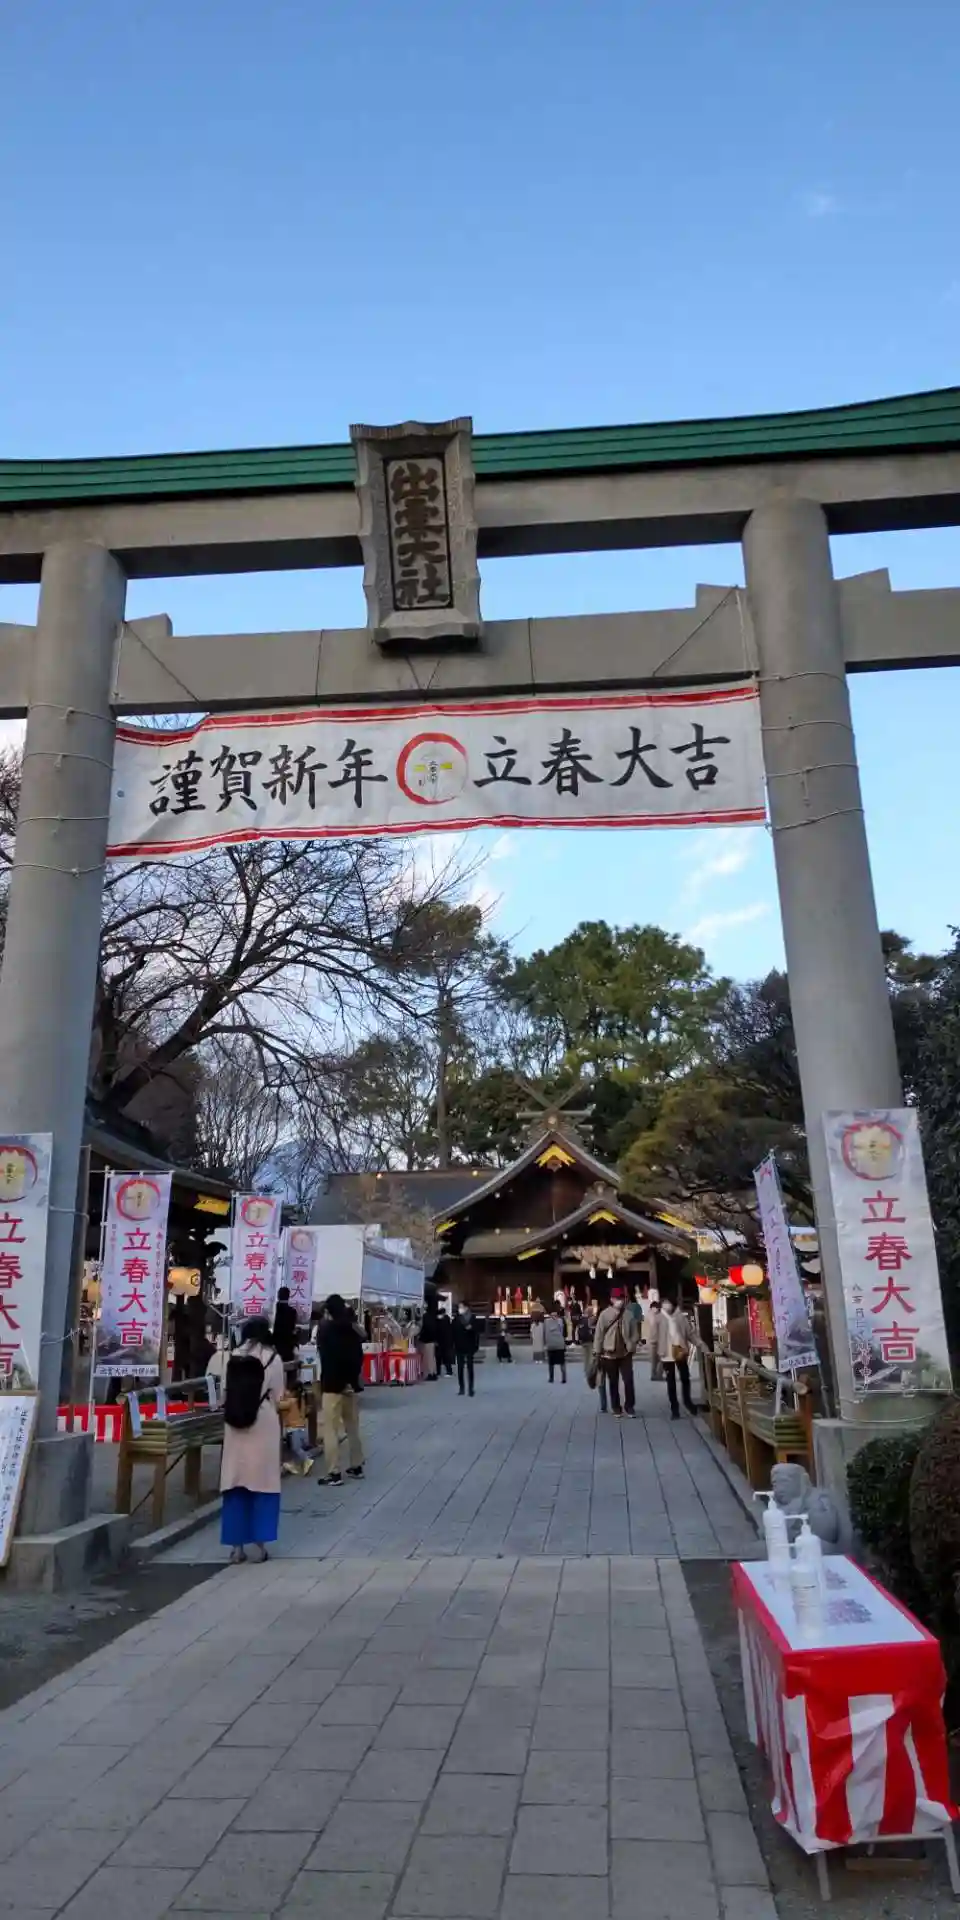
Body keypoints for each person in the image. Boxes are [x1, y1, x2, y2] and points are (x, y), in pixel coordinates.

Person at [220, 1314, 285, 1563]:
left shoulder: (232, 1355)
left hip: (234, 1424)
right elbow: (278, 1396)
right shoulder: (273, 1358)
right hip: (263, 1423)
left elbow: (224, 1392)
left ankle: (236, 1548)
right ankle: (260, 1547)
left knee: (235, 1482)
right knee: (263, 1483)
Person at [317, 1293, 365, 1483]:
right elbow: (359, 1356)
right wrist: (351, 1379)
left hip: (332, 1385)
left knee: (330, 1429)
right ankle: (356, 1465)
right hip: (350, 1385)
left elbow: (326, 1358)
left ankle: (334, 1472)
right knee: (352, 1427)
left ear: (329, 1311)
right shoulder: (352, 1329)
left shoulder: (326, 1330)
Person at [593, 1285, 640, 1417]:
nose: (620, 1301)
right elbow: (599, 1334)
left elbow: (635, 1333)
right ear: (612, 1299)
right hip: (609, 1353)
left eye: (622, 1298)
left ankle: (629, 1406)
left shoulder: (629, 1315)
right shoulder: (604, 1314)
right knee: (613, 1381)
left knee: (628, 1380)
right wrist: (597, 1351)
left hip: (625, 1353)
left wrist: (632, 1343)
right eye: (617, 1298)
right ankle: (616, 1407)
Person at [658, 1297, 695, 1419]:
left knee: (685, 1377)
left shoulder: (680, 1317)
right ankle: (674, 1409)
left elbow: (690, 1334)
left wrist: (701, 1344)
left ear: (673, 1304)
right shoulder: (659, 1318)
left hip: (679, 1348)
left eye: (668, 1303)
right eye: (664, 1303)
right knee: (671, 1381)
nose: (666, 1305)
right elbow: (653, 1337)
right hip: (666, 1351)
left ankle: (688, 1402)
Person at [576, 1308, 607, 1411]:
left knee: (600, 1378)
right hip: (606, 1351)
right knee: (609, 1379)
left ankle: (604, 1405)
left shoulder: (584, 1320)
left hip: (594, 1348)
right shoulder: (599, 1322)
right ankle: (613, 1404)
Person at [453, 1305, 478, 1396]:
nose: (460, 1309)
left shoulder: (472, 1318)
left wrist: (472, 1329)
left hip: (469, 1346)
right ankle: (461, 1388)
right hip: (459, 1346)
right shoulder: (456, 1319)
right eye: (459, 1307)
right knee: (460, 1368)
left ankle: (471, 1388)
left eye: (462, 1307)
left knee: (470, 1368)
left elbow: (476, 1332)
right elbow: (453, 1332)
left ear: (467, 1308)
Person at [272, 1286, 300, 1366]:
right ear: (288, 1296)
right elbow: (292, 1328)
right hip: (288, 1345)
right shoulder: (292, 1311)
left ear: (278, 1296)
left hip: (274, 1346)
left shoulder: (274, 1310)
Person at [644, 1293, 664, 1382]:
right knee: (654, 1360)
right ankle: (654, 1375)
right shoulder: (649, 1316)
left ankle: (658, 1374)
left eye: (657, 1308)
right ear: (651, 1308)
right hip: (652, 1341)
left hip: (660, 1340)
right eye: (654, 1308)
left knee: (661, 1359)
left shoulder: (661, 1316)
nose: (656, 1309)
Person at [544, 1309, 567, 1383]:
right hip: (560, 1344)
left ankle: (551, 1378)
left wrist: (545, 1343)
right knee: (562, 1362)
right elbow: (564, 1333)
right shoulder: (561, 1321)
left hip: (551, 1345)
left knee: (551, 1363)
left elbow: (545, 1333)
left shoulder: (546, 1322)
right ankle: (564, 1378)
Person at [419, 1304, 440, 1380]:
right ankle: (434, 1373)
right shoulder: (432, 1316)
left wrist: (420, 1337)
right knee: (432, 1358)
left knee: (429, 1358)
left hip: (427, 1340)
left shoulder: (425, 1317)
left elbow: (426, 1328)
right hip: (432, 1340)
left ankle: (431, 1374)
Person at [436, 1310, 455, 1377]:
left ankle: (440, 1372)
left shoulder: (442, 1322)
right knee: (445, 1358)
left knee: (441, 1358)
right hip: (446, 1343)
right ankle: (448, 1371)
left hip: (443, 1343)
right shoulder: (447, 1321)